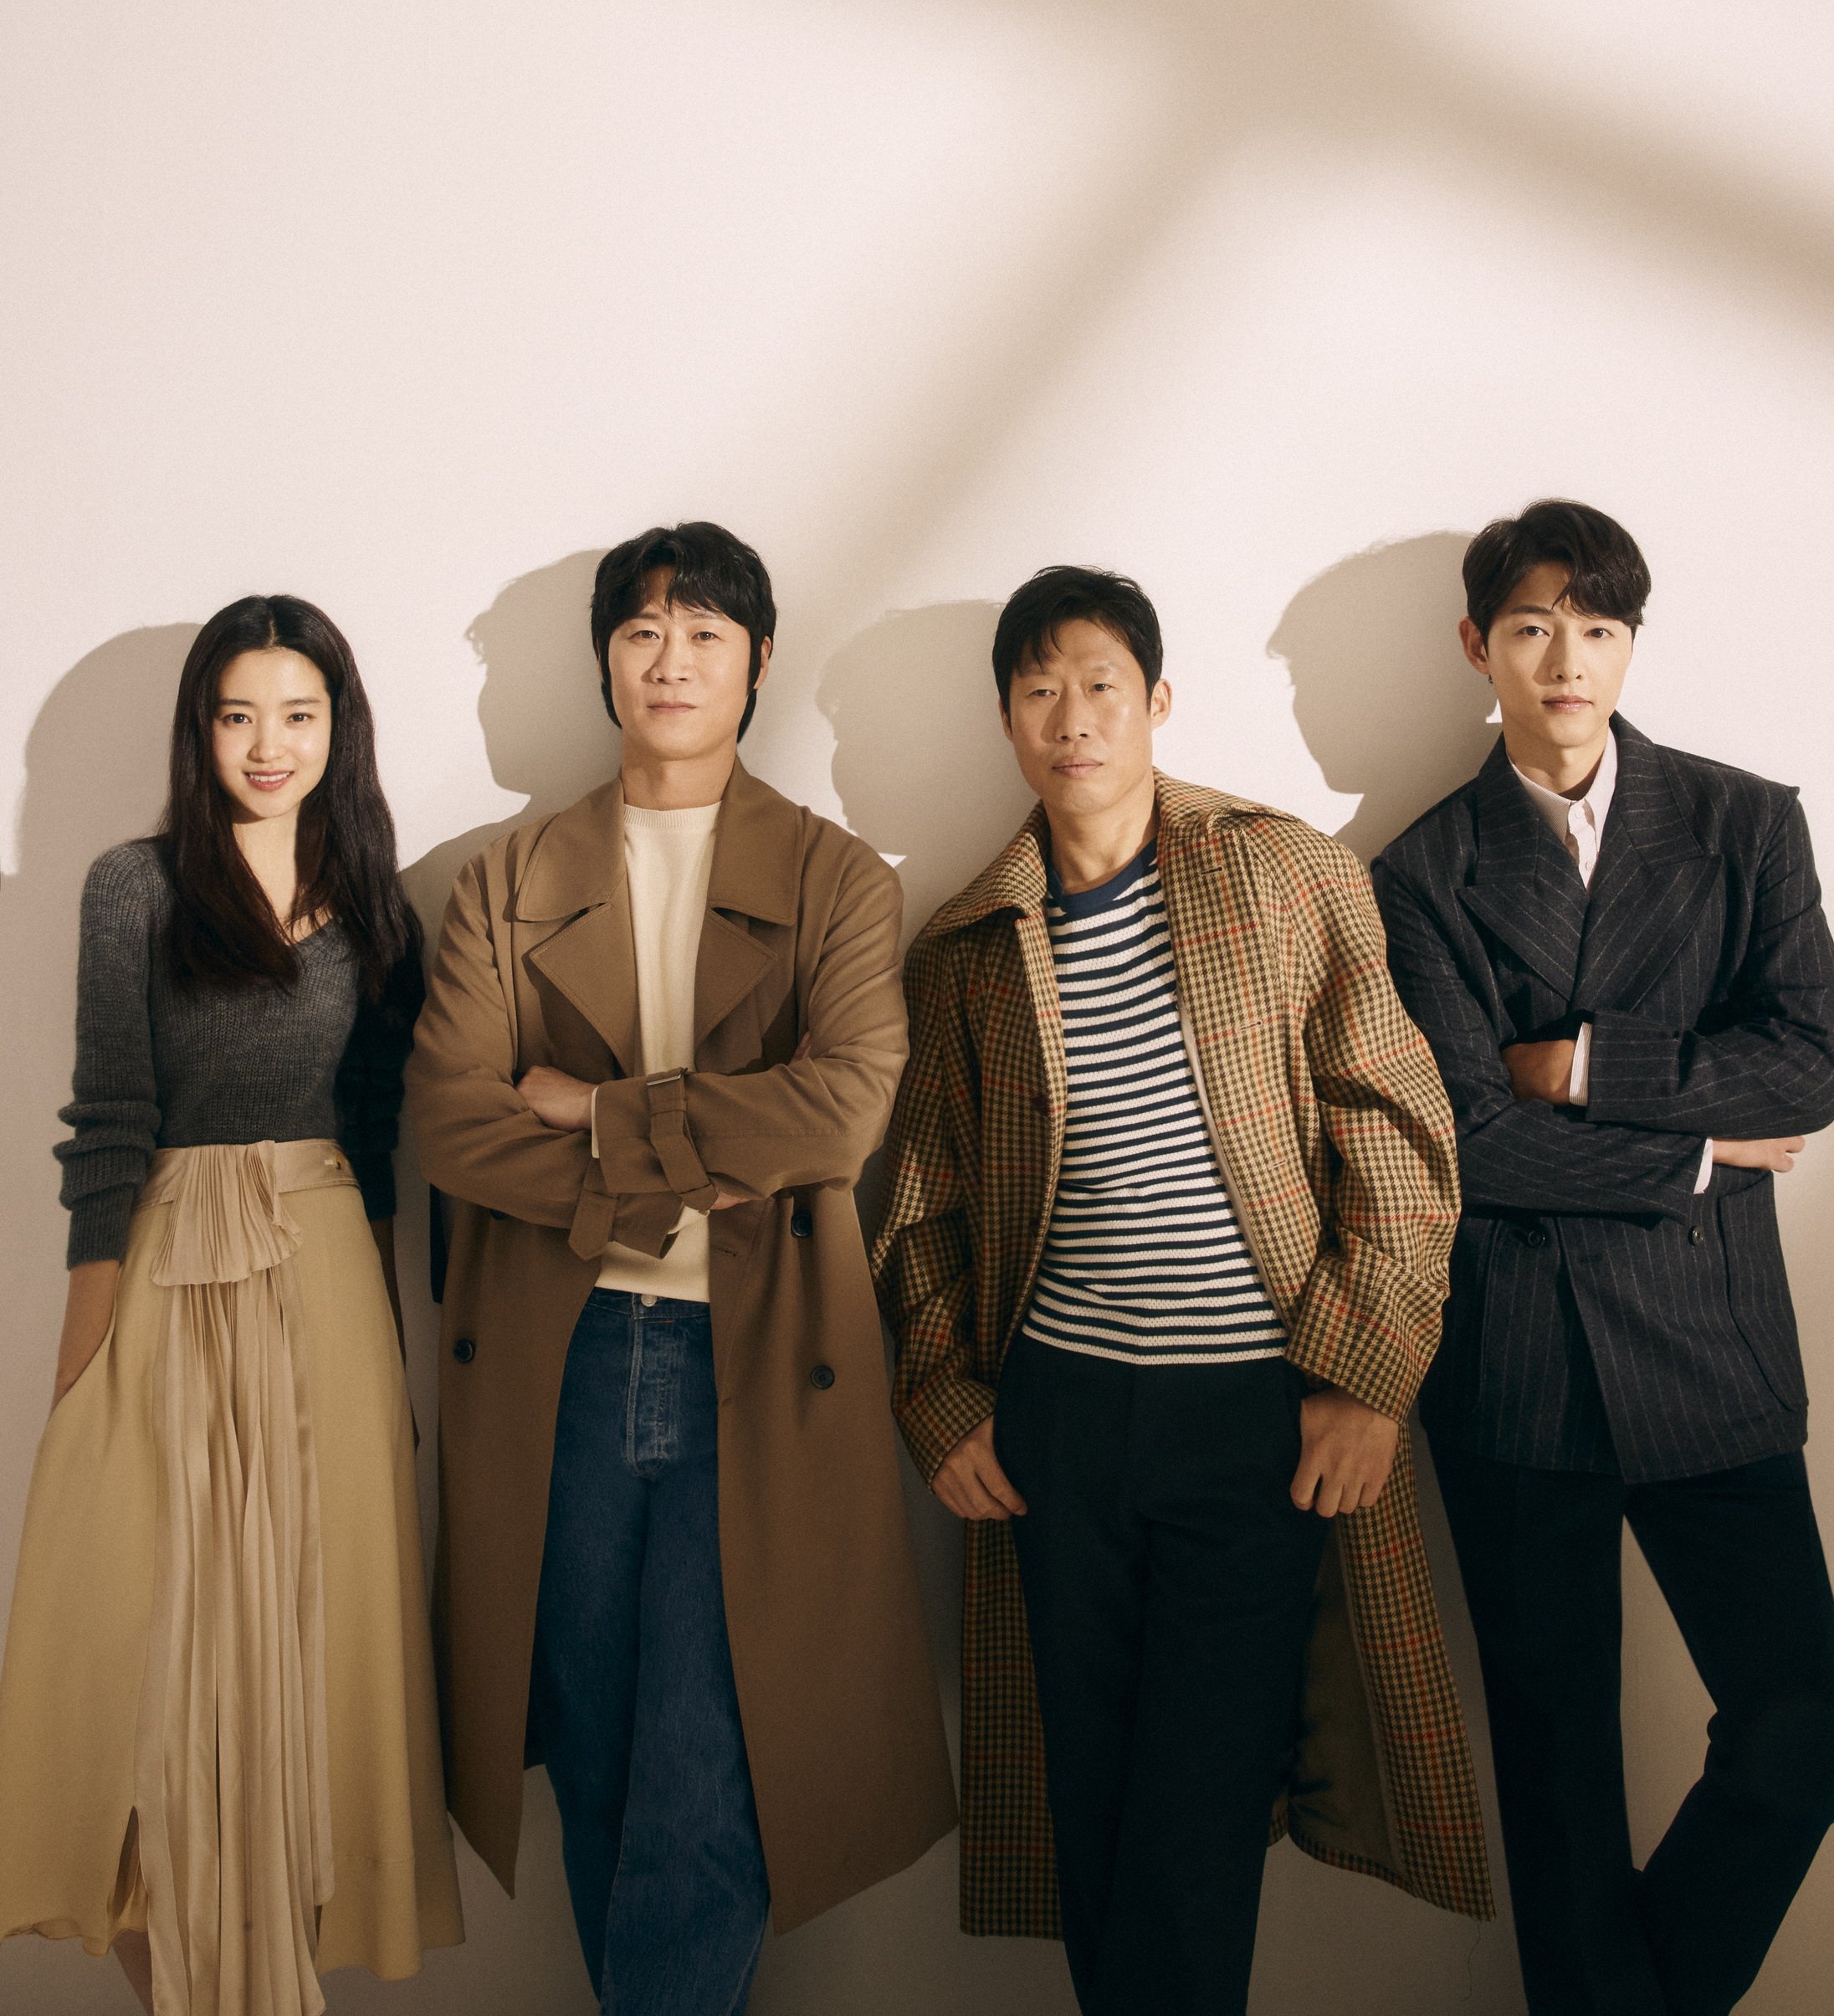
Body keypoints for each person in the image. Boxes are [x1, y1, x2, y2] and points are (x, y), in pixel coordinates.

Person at [873, 564, 1493, 2016]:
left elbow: (1397, 1131)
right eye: (1039, 691)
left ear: (1157, 701)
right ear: (1007, 722)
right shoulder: (971, 943)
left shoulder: (1280, 874)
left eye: (1100, 685)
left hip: (1254, 1423)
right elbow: (924, 1200)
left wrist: (1364, 1381)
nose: (1072, 718)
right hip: (1058, 1426)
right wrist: (943, 1397)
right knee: (1089, 1808)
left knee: (1194, 1821)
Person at [406, 521, 955, 2016]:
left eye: (705, 632)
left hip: (762, 1363)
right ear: (605, 661)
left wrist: (595, 1116)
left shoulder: (836, 877)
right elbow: (453, 1122)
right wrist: (678, 1175)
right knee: (594, 1754)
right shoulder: (507, 879)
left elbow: (842, 1109)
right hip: (563, 1363)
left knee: (714, 1773)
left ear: (756, 660)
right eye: (643, 630)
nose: (671, 660)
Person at [1371, 499, 1834, 2016]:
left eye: (1597, 625)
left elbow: (1810, 1065)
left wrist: (1582, 1067)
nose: (1566, 659)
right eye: (1531, 626)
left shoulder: (1745, 821)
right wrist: (1696, 1152)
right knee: (1559, 1777)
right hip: (1519, 1364)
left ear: (1631, 642)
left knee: (1802, 1722)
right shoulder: (1420, 869)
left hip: (1712, 1343)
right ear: (1477, 646)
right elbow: (1461, 1140)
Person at [0, 596, 463, 2015]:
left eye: (298, 714)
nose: (269, 744)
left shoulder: (378, 903)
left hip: (326, 1274)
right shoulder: (132, 888)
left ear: (339, 728)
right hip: (165, 1265)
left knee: (306, 1664)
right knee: (150, 1660)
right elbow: (109, 1117)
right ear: (200, 729)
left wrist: (389, 1346)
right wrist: (84, 1352)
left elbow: (378, 1137)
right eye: (238, 714)